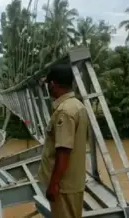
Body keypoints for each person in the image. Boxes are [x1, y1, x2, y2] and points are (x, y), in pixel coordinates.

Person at [38, 64, 89, 218]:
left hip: (63, 186)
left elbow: (63, 151)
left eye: (48, 84)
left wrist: (53, 184)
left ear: (53, 84)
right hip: (74, 182)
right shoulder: (77, 106)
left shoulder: (64, 112)